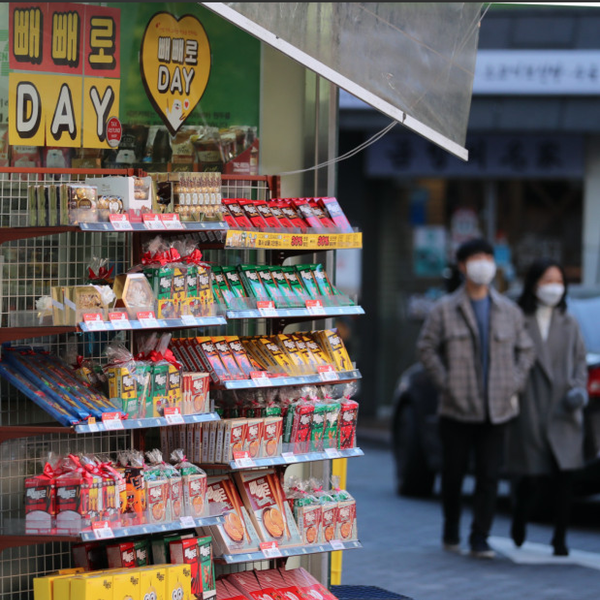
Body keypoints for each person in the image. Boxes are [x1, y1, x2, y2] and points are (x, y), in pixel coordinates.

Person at [416, 238, 535, 558]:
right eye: (476, 258)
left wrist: (514, 382)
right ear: (463, 265)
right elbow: (426, 348)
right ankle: (451, 529)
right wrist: (446, 382)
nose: (483, 264)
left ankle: (480, 536)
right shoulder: (445, 309)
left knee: (490, 475)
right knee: (453, 474)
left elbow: (526, 350)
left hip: (497, 408)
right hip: (456, 408)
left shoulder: (508, 311)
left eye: (488, 258)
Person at [505, 258, 588, 557]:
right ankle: (519, 516)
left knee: (565, 476)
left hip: (564, 410)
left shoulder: (570, 323)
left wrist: (578, 390)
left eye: (559, 281)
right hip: (530, 408)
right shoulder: (519, 319)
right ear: (535, 284)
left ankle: (560, 538)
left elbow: (580, 362)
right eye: (548, 280)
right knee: (529, 476)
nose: (554, 287)